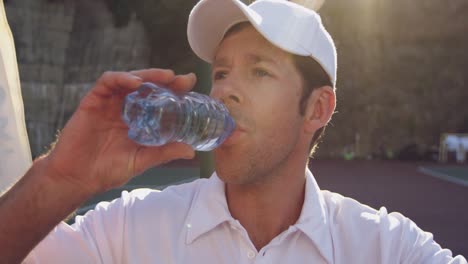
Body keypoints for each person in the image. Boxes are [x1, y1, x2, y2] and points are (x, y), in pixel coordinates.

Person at [0, 0, 466, 263]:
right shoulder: (129, 227)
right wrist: (63, 179)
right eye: (221, 73)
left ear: (317, 109)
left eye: (259, 72)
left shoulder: (383, 247)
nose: (225, 92)